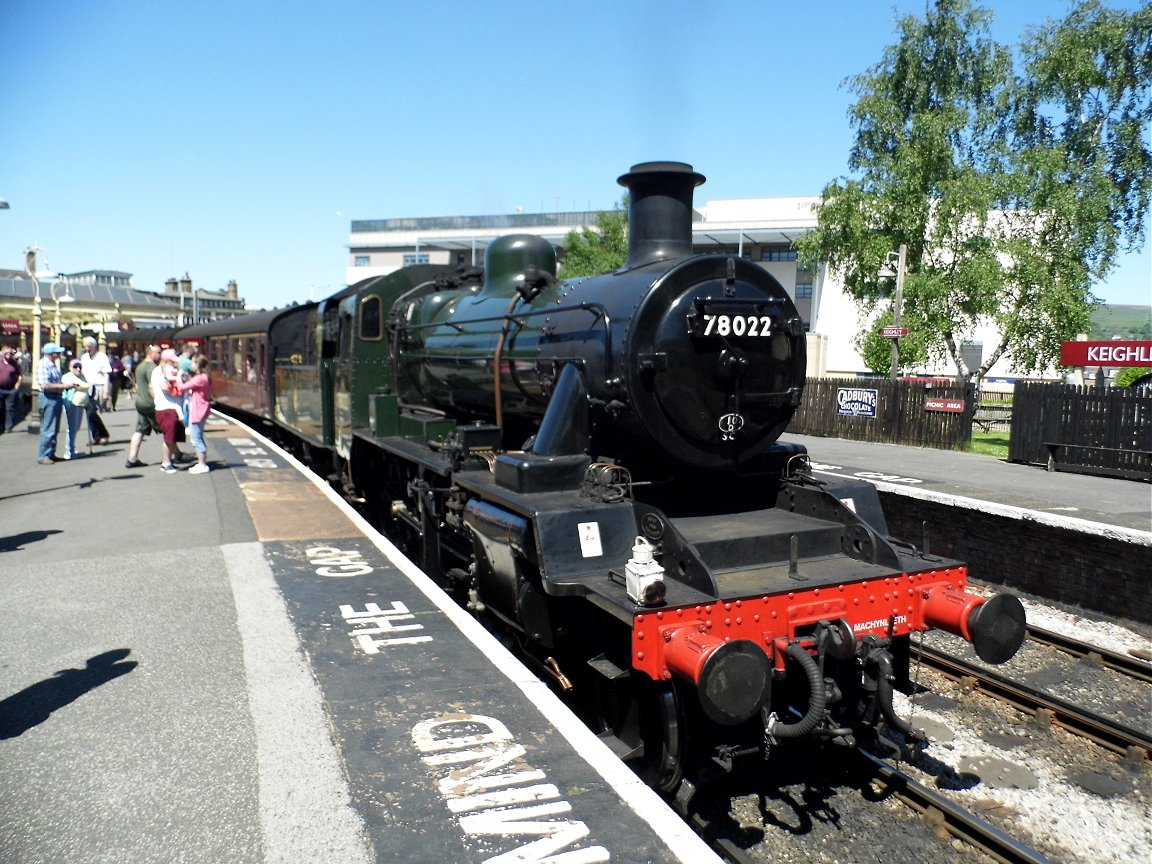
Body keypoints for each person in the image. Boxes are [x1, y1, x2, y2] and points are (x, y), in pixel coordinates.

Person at [35, 343, 77, 464]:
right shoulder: (43, 365)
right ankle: (43, 455)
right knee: (48, 428)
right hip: (48, 397)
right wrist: (64, 386)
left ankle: (50, 453)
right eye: (57, 352)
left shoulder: (52, 365)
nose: (59, 354)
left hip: (55, 397)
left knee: (54, 427)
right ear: (52, 354)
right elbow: (45, 385)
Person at [150, 348, 187, 474]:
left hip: (173, 407)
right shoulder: (159, 372)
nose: (175, 364)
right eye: (172, 361)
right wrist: (179, 384)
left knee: (173, 436)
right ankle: (166, 463)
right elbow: (166, 388)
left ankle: (172, 458)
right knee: (169, 437)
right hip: (166, 407)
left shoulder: (170, 371)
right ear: (166, 361)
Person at [124, 344, 161, 468]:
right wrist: (159, 401)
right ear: (151, 353)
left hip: (140, 402)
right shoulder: (153, 368)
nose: (160, 355)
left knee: (139, 430)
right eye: (158, 353)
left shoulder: (140, 366)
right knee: (167, 429)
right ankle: (174, 455)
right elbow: (152, 386)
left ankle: (132, 458)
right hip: (151, 404)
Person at [176, 354, 214, 474]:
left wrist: (178, 377)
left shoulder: (200, 378)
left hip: (198, 410)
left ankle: (202, 464)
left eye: (193, 363)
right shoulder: (203, 377)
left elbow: (182, 388)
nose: (191, 365)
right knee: (198, 436)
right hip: (201, 409)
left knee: (196, 438)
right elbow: (193, 383)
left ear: (197, 364)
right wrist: (188, 377)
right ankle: (201, 463)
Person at [79, 336, 113, 441]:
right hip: (87, 387)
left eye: (89, 346)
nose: (87, 349)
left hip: (100, 386)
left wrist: (106, 392)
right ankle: (98, 436)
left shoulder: (102, 357)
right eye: (85, 346)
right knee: (90, 412)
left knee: (93, 412)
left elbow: (107, 375)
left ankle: (101, 434)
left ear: (94, 346)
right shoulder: (84, 357)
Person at [60, 359, 92, 459]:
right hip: (71, 404)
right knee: (72, 428)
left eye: (80, 367)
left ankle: (72, 449)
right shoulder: (67, 377)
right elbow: (73, 387)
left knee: (76, 427)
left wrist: (88, 402)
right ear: (70, 368)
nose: (78, 369)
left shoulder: (82, 376)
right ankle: (69, 452)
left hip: (81, 405)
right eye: (75, 367)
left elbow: (85, 389)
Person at [0, 347, 22, 433]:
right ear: (2, 353)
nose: (9, 355)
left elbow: (20, 375)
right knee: (1, 408)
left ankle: (8, 427)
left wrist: (17, 385)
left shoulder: (14, 364)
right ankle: (1, 425)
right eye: (7, 353)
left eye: (10, 353)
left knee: (10, 408)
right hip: (0, 389)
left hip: (11, 390)